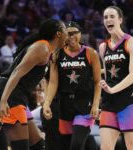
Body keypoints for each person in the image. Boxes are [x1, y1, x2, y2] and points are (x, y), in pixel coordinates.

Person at [0, 18, 68, 150]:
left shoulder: (49, 52)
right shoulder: (42, 48)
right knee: (21, 146)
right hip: (10, 95)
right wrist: (3, 100)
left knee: (38, 145)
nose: (68, 36)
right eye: (66, 31)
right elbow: (16, 73)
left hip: (18, 96)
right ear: (59, 33)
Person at [43, 21, 101, 150]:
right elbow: (53, 82)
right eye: (68, 33)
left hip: (84, 104)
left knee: (76, 145)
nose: (71, 36)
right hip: (64, 105)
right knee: (69, 144)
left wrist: (96, 104)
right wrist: (46, 102)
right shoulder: (57, 55)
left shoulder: (90, 53)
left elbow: (97, 82)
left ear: (80, 34)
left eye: (75, 33)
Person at [99, 6, 133, 150]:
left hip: (130, 99)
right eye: (105, 17)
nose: (108, 20)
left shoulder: (132, 42)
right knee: (105, 147)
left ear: (120, 19)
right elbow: (106, 75)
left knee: (132, 147)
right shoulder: (102, 47)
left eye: (112, 16)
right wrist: (105, 92)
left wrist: (112, 89)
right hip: (109, 102)